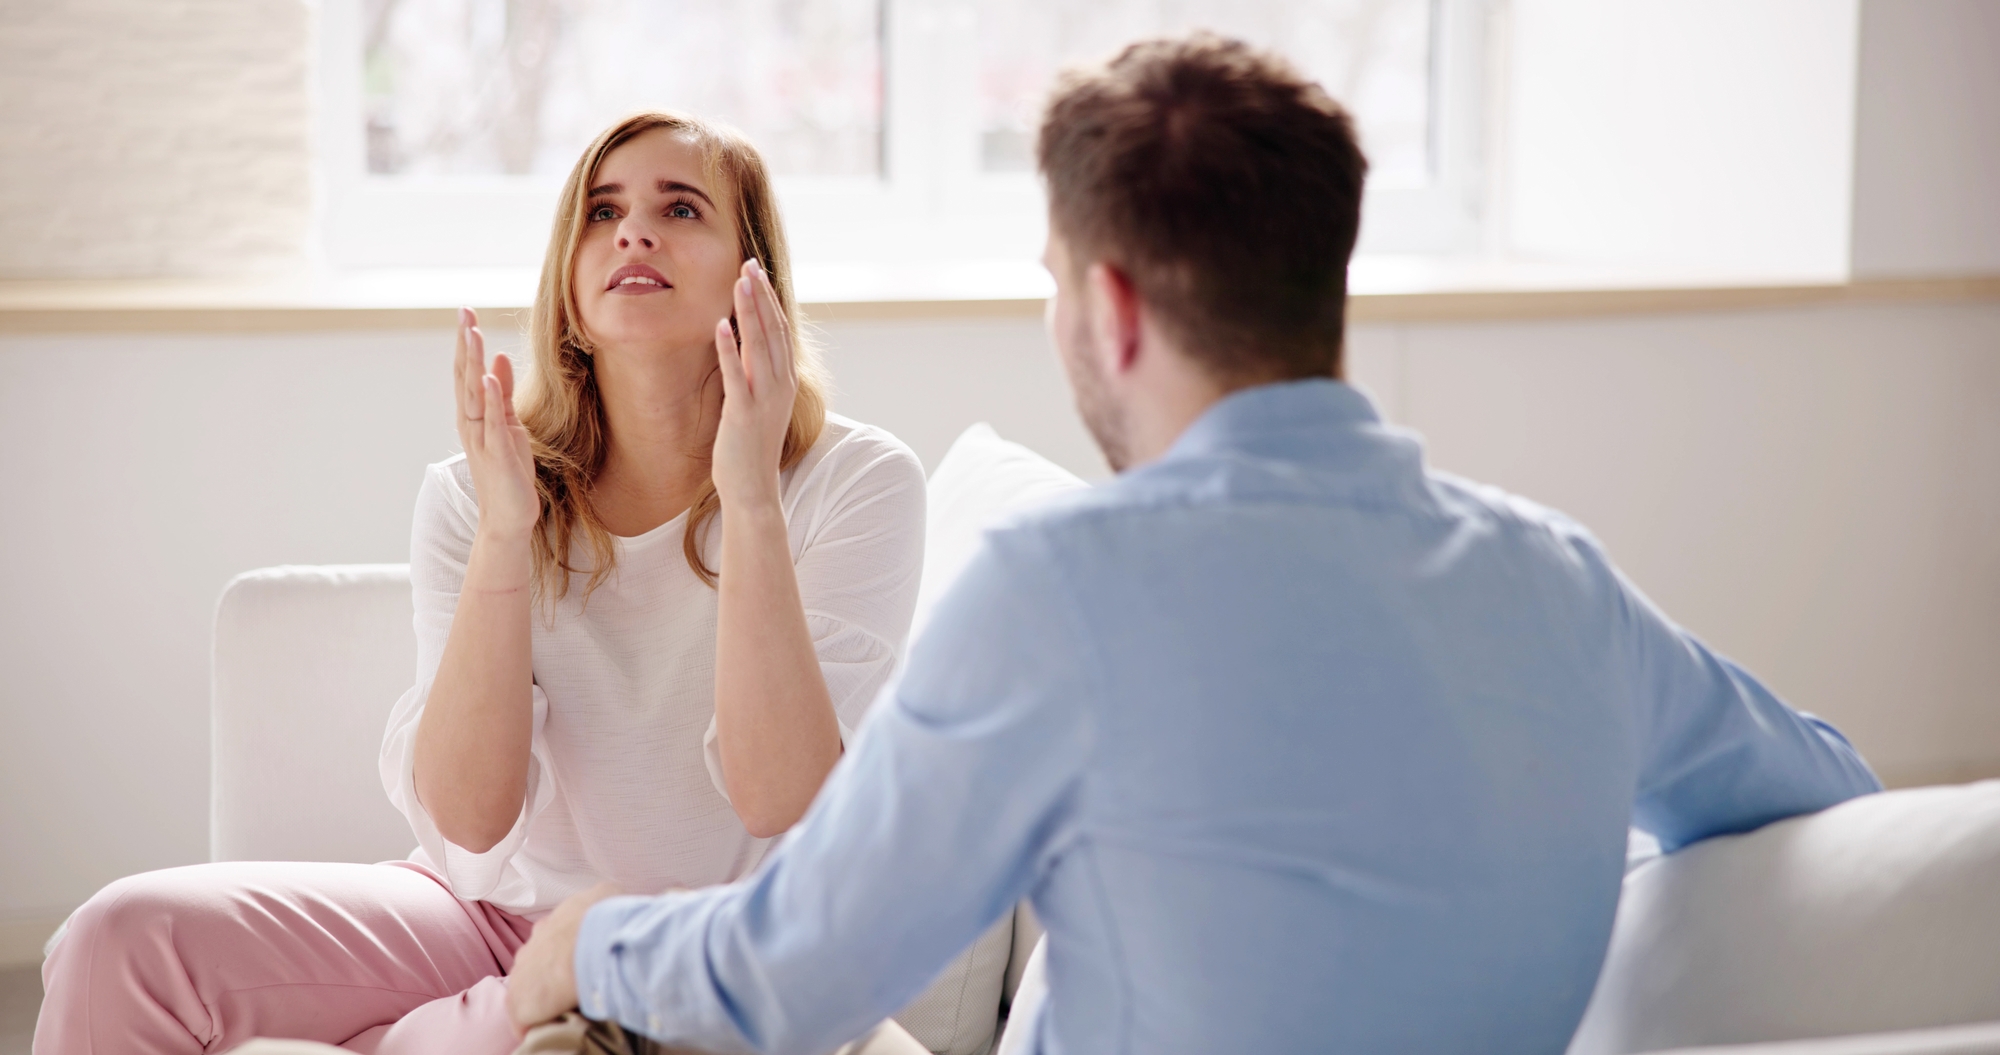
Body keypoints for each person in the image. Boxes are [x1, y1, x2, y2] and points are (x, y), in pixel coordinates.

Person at [501, 35, 1883, 1055]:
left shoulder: (1058, 592)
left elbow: (797, 968)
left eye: (1051, 283)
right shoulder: (1560, 583)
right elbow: (1831, 783)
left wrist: (582, 939)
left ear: (1109, 307)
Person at [35, 111, 927, 1054]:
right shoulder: (476, 490)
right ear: (570, 285)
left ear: (755, 277)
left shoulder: (855, 483)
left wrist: (748, 498)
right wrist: (507, 535)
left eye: (680, 206)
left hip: (707, 952)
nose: (633, 231)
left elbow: (781, 800)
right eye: (601, 210)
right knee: (120, 937)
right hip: (477, 922)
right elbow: (468, 819)